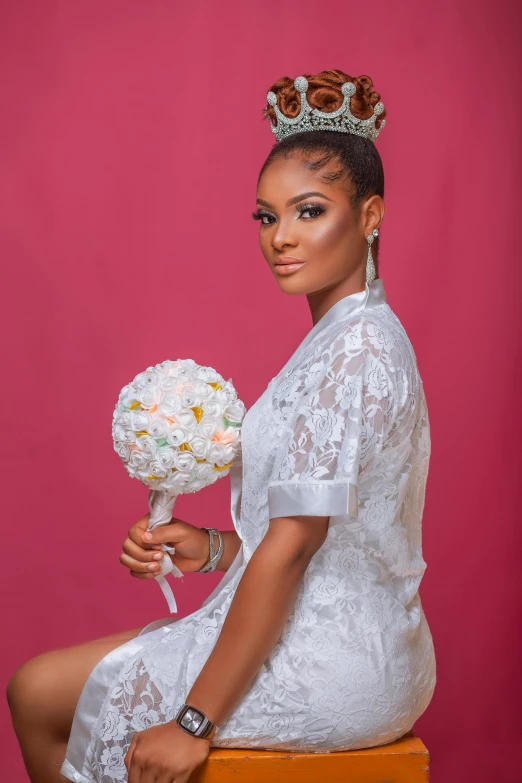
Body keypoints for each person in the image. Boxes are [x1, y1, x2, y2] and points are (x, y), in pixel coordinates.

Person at [6, 68, 436, 783]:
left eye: (308, 211)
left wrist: (192, 722)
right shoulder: (346, 337)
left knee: (38, 692)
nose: (280, 238)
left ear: (369, 216)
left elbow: (296, 548)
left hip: (336, 660)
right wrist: (209, 547)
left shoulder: (355, 350)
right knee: (45, 687)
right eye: (267, 217)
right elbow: (335, 538)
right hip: (370, 636)